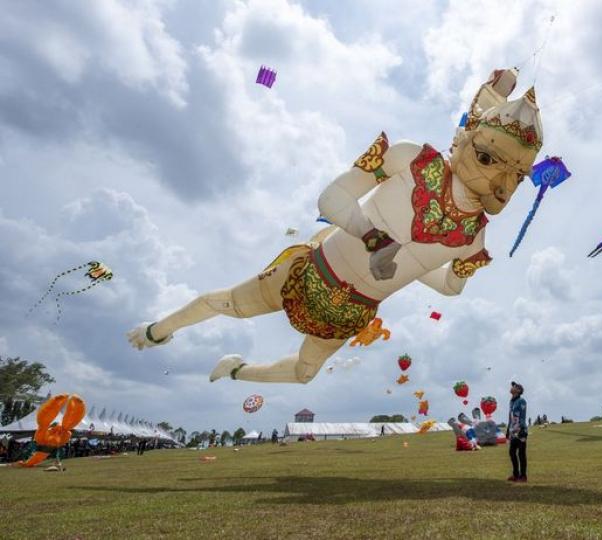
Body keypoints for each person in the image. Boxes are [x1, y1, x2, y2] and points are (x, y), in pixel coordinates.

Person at [126, 69, 545, 387]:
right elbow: (332, 200)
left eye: (517, 177)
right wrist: (373, 237)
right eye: (490, 161)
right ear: (467, 139)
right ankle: (158, 330)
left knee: (305, 373)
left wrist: (415, 269)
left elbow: (452, 288)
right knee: (227, 303)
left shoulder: (474, 237)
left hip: (350, 312)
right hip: (311, 270)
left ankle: (237, 371)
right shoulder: (412, 159)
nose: (502, 186)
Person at [506, 381, 528, 482]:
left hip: (520, 430)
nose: (512, 387)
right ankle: (515, 474)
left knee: (521, 453)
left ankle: (523, 476)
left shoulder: (522, 401)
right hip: (512, 431)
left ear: (518, 390)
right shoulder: (511, 402)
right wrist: (508, 430)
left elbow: (522, 416)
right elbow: (510, 417)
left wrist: (522, 429)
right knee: (512, 452)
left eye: (514, 386)